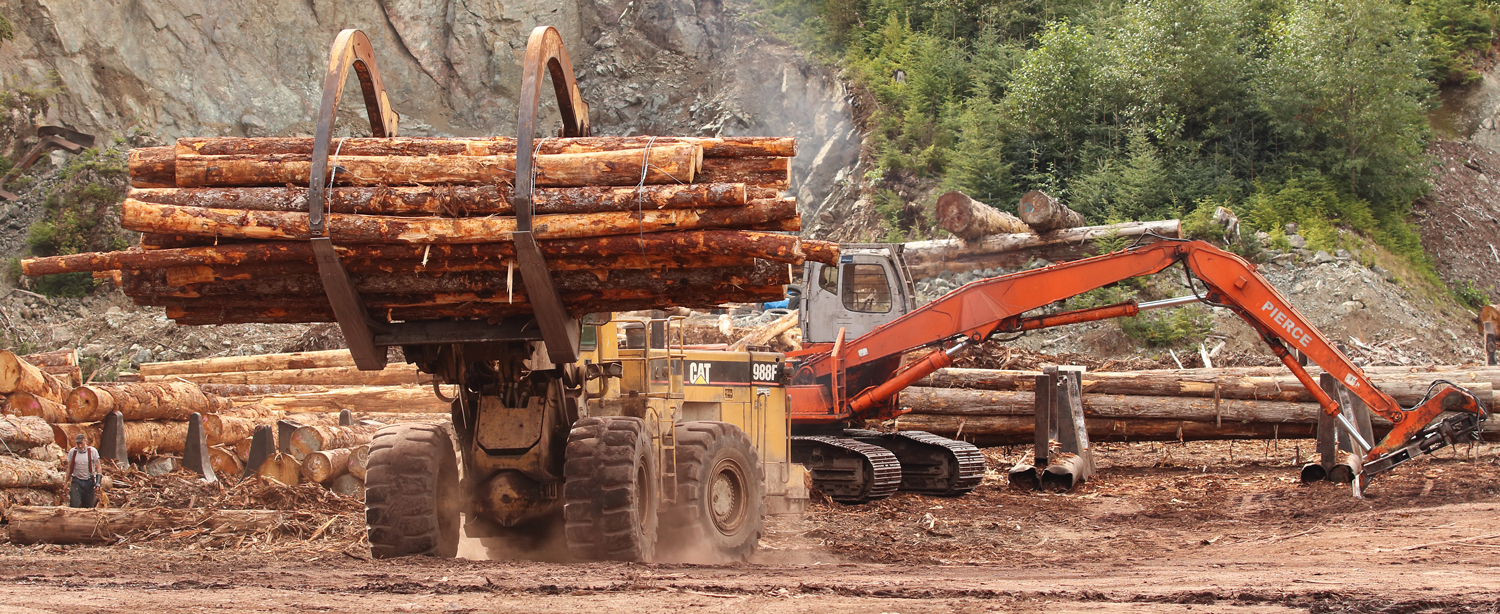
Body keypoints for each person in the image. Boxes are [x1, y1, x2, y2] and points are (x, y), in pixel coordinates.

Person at [67, 433, 99, 508]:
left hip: (88, 481)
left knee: (88, 507)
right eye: (78, 444)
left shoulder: (92, 451)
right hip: (76, 481)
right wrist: (66, 482)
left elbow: (98, 467)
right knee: (74, 504)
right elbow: (69, 468)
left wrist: (98, 482)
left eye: (81, 443)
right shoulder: (73, 452)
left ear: (85, 441)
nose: (79, 446)